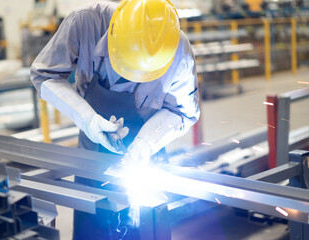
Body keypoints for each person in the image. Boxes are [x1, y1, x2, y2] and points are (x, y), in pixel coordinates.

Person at [30, 0, 200, 239]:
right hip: (92, 145)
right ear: (113, 33)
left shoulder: (178, 49)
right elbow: (43, 74)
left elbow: (184, 111)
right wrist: (88, 119)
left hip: (147, 152)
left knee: (150, 225)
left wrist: (145, 144)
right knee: (91, 226)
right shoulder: (85, 23)